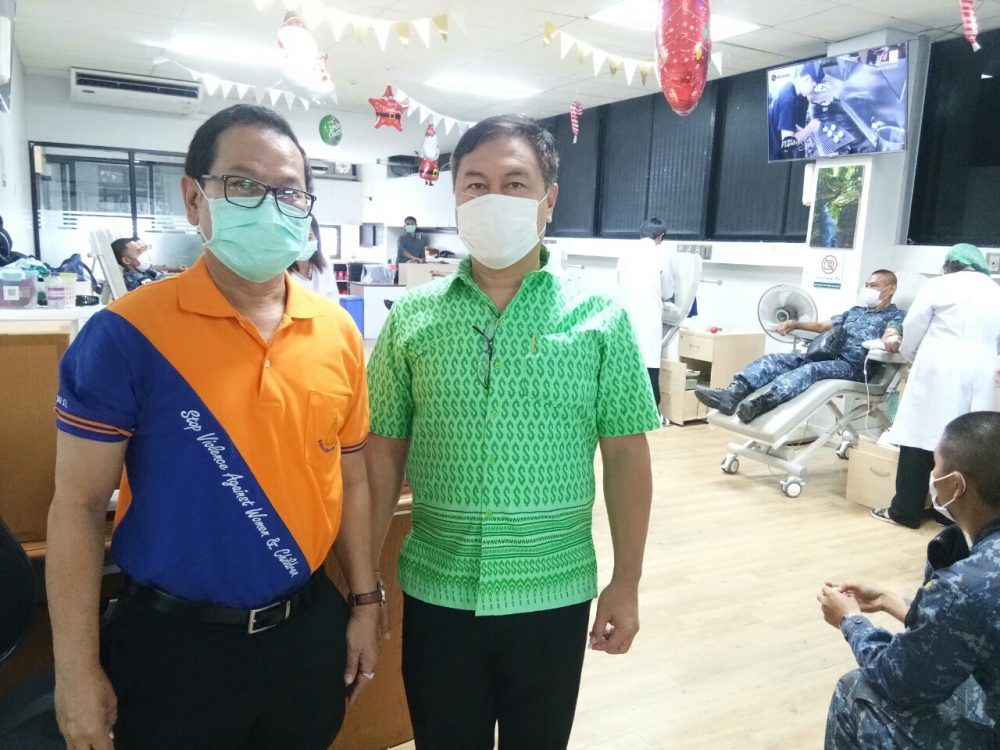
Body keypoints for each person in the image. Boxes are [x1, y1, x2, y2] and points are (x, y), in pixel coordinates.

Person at [46, 104, 379, 750]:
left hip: (306, 638)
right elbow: (78, 507)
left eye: (289, 190)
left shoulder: (337, 332)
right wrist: (75, 670)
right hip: (174, 651)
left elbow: (353, 477)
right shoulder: (126, 333)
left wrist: (367, 602)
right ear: (194, 198)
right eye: (243, 183)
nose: (270, 204)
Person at [365, 114, 660, 750]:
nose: (492, 197)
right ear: (455, 200)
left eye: (515, 182)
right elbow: (382, 454)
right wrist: (364, 589)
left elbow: (627, 458)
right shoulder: (412, 320)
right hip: (438, 587)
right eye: (474, 184)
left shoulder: (600, 318)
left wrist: (627, 581)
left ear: (548, 200)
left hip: (553, 589)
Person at [818, 411, 1000, 750]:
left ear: (956, 484)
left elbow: (900, 681)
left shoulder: (966, 584)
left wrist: (850, 620)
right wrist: (888, 599)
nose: (932, 475)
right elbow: (965, 632)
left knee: (855, 691)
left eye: (935, 465)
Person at [872, 244, 1000, 529]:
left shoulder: (938, 285)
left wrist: (911, 356)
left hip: (938, 370)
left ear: (950, 264)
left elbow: (913, 327)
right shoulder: (996, 291)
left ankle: (905, 511)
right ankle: (950, 516)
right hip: (981, 372)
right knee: (964, 445)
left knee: (918, 441)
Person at [695, 270, 902, 423]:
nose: (868, 289)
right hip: (825, 356)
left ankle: (761, 404)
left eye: (873, 286)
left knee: (811, 370)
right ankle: (732, 395)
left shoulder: (896, 315)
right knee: (773, 360)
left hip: (853, 367)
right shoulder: (855, 311)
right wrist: (795, 323)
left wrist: (891, 339)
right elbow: (821, 326)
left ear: (891, 289)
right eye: (867, 285)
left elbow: (892, 332)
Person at [617, 218, 675, 417]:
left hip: (625, 316)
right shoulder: (661, 254)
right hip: (649, 316)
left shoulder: (626, 254)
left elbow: (619, 281)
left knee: (627, 363)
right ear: (661, 237)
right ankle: (652, 412)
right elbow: (667, 290)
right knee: (650, 365)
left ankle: (625, 408)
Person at [768, 62, 823, 161]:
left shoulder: (789, 87)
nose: (812, 90)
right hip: (775, 153)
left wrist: (800, 130)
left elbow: (783, 120)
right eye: (813, 86)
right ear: (807, 79)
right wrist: (810, 128)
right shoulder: (789, 100)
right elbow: (787, 144)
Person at [289, 215, 339, 300]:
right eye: (298, 238)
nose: (303, 244)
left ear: (317, 238)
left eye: (309, 238)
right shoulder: (281, 272)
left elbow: (333, 300)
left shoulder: (325, 267)